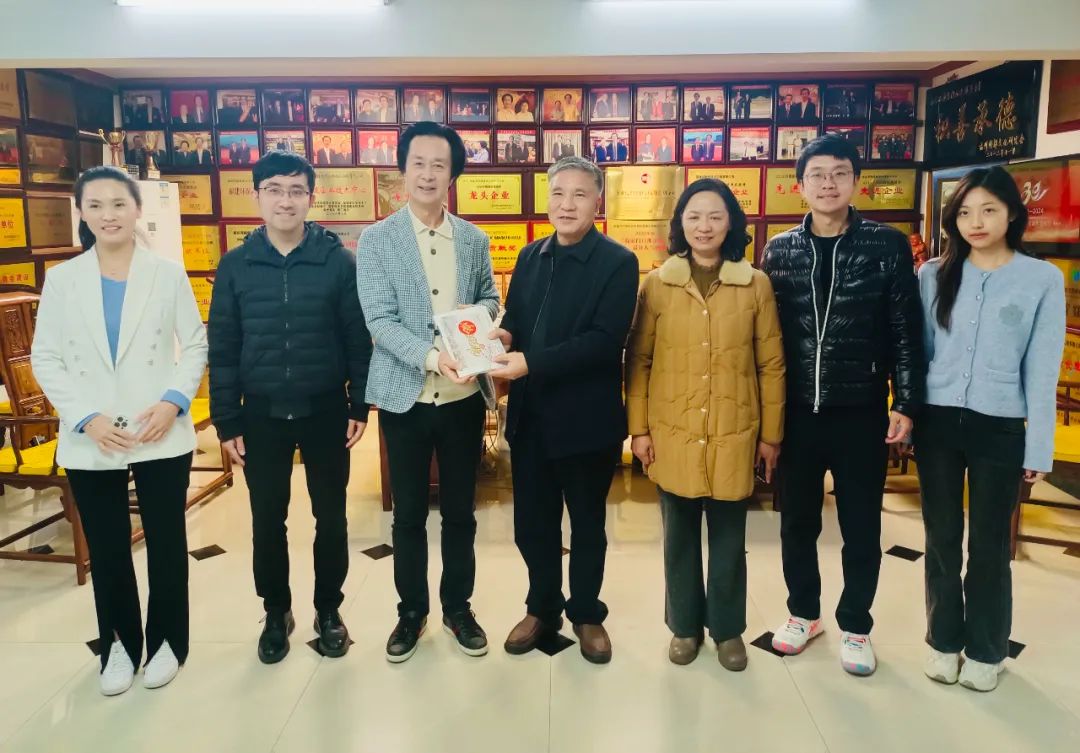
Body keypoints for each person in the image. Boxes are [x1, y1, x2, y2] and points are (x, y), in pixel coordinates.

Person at [31, 166, 208, 696]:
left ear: (136, 210)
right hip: (92, 434)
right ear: (81, 213)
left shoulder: (166, 273)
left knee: (167, 543)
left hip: (158, 427)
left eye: (118, 204)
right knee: (107, 548)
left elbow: (195, 343)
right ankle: (118, 647)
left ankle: (169, 642)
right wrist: (86, 417)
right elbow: (46, 358)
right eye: (96, 205)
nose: (108, 215)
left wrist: (174, 401)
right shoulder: (63, 279)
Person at [760, 133, 924, 677]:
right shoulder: (779, 249)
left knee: (860, 524)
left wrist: (906, 399)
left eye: (839, 173)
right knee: (796, 522)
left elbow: (905, 330)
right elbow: (767, 337)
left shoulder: (887, 245)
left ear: (856, 182)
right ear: (799, 185)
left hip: (861, 409)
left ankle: (855, 624)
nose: (828, 184)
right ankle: (803, 614)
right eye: (817, 175)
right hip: (796, 412)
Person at [208, 151, 372, 665]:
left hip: (326, 409)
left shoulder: (338, 261)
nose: (286, 200)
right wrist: (226, 419)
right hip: (259, 413)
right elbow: (222, 346)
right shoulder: (235, 265)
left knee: (332, 517)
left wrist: (359, 403)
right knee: (266, 519)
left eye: (296, 190)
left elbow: (357, 339)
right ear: (257, 196)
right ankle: (276, 611)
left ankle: (329, 609)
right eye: (275, 190)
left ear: (310, 198)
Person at [915, 167, 1064, 692]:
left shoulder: (1042, 279)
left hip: (1000, 427)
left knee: (989, 544)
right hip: (937, 423)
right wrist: (909, 415)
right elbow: (922, 354)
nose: (975, 222)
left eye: (988, 210)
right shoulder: (933, 274)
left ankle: (986, 650)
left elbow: (1042, 370)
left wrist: (1039, 446)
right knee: (941, 538)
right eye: (964, 212)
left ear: (1012, 214)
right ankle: (942, 641)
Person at [626, 178, 784, 670]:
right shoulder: (657, 284)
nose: (704, 226)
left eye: (715, 216)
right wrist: (639, 430)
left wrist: (771, 435)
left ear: (731, 223)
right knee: (678, 537)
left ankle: (728, 630)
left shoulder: (755, 284)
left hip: (735, 431)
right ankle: (684, 627)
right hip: (672, 429)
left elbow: (771, 365)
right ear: (680, 224)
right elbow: (639, 360)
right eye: (694, 216)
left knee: (729, 539)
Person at [357, 122, 500, 663]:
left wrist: (474, 324)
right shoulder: (377, 239)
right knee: (409, 515)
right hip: (406, 399)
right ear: (403, 169)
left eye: (439, 164)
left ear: (452, 174)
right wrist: (434, 356)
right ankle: (411, 612)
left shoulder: (473, 239)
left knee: (461, 513)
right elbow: (379, 320)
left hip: (463, 403)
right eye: (418, 162)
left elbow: (491, 299)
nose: (427, 173)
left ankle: (458, 609)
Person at [489, 156, 638, 665]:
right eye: (558, 193)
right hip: (531, 419)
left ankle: (587, 613)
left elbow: (604, 341)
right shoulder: (531, 256)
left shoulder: (618, 262)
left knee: (588, 524)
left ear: (598, 201)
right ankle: (542, 608)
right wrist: (499, 338)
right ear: (547, 199)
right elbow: (516, 318)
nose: (567, 204)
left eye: (579, 194)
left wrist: (529, 362)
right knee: (533, 525)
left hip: (586, 421)